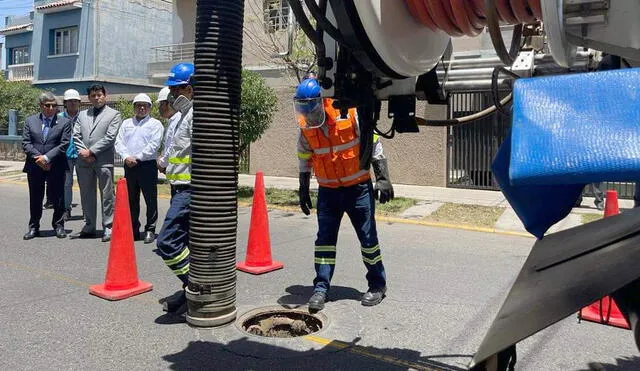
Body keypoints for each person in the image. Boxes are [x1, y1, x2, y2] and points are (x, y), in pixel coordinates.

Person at [295, 78, 395, 311]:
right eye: (305, 110)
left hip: (357, 188)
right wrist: (303, 185)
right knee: (324, 243)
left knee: (368, 240)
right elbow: (303, 155)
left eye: (312, 109)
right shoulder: (306, 125)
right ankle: (321, 288)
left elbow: (372, 140)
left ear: (322, 102)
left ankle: (377, 286)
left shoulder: (348, 113)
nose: (309, 116)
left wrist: (382, 176)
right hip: (328, 191)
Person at [156, 62, 195, 313]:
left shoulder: (195, 116)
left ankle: (195, 286)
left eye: (177, 89)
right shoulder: (180, 118)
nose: (172, 95)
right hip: (177, 187)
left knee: (167, 242)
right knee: (187, 243)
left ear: (191, 89)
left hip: (189, 190)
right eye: (171, 89)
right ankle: (189, 292)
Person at [71, 84, 122, 242]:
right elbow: (76, 135)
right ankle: (89, 225)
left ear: (105, 95)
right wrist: (84, 153)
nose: (97, 98)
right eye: (93, 95)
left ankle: (108, 226)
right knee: (86, 194)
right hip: (84, 161)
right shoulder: (82, 115)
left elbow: (110, 137)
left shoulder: (114, 114)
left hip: (103, 161)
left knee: (107, 195)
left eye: (99, 94)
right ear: (89, 98)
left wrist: (91, 151)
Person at [115, 93, 164, 243]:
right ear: (134, 107)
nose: (141, 108)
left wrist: (138, 157)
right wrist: (126, 156)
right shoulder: (126, 123)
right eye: (138, 105)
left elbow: (154, 145)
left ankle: (150, 229)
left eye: (145, 105)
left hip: (146, 165)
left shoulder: (155, 124)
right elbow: (119, 142)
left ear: (150, 108)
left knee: (150, 199)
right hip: (129, 165)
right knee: (131, 199)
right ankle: (133, 229)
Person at [22, 92, 72, 240]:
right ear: (41, 106)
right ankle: (34, 227)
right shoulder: (30, 121)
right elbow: (26, 142)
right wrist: (39, 158)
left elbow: (64, 144)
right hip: (35, 165)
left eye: (54, 105)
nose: (51, 108)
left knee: (58, 197)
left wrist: (47, 158)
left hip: (56, 165)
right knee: (36, 197)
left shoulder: (64, 122)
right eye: (48, 105)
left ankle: (58, 226)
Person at [58, 89, 82, 220]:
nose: (72, 103)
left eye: (75, 101)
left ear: (79, 103)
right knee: (66, 183)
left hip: (81, 154)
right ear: (65, 103)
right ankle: (66, 209)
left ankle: (87, 211)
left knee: (85, 183)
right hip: (65, 155)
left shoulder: (84, 117)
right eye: (69, 101)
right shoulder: (59, 118)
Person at [156, 86, 183, 199]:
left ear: (168, 103)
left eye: (160, 104)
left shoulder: (177, 120)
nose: (159, 108)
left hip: (179, 175)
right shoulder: (173, 120)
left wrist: (161, 163)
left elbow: (172, 147)